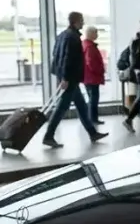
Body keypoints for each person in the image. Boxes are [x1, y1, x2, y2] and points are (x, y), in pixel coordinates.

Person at [44, 12, 109, 148]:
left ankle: (92, 133)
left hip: (67, 77)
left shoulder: (62, 35)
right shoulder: (72, 37)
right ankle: (48, 136)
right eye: (81, 21)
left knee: (82, 106)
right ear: (75, 22)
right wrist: (65, 78)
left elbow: (56, 55)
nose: (83, 23)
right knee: (62, 108)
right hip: (70, 78)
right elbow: (68, 58)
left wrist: (60, 75)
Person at [82, 25, 105, 127]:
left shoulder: (85, 45)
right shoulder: (90, 47)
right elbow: (91, 62)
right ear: (91, 34)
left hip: (88, 77)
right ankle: (93, 118)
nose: (97, 35)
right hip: (92, 77)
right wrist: (100, 70)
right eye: (95, 32)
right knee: (94, 99)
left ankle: (92, 118)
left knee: (92, 98)